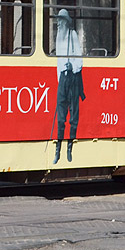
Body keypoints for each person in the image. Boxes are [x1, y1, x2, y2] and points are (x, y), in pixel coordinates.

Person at [53, 9, 85, 164]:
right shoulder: (58, 37)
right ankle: (58, 151)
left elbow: (79, 60)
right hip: (62, 81)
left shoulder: (72, 35)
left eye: (61, 20)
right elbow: (58, 63)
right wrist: (60, 79)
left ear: (66, 22)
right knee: (60, 118)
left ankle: (69, 149)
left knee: (73, 117)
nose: (58, 23)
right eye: (58, 20)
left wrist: (71, 66)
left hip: (72, 79)